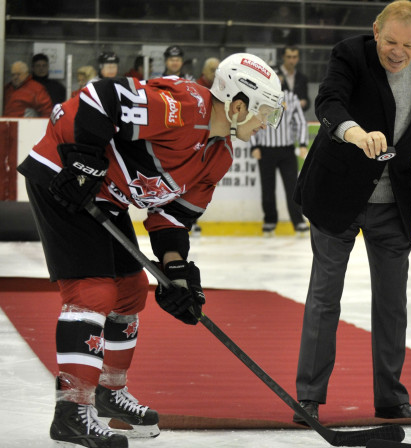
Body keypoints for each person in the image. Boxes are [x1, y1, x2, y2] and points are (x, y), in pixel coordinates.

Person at [16, 53, 284, 448]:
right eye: (264, 112)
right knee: (92, 292)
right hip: (60, 176)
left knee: (128, 293)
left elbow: (171, 216)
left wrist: (176, 273)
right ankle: (72, 412)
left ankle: (108, 393)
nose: (265, 123)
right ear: (238, 105)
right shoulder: (184, 106)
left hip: (104, 196)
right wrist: (84, 160)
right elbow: (98, 98)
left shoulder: (220, 154)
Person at [293, 0, 411, 424]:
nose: (397, 52)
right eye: (390, 41)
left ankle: (391, 398)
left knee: (392, 304)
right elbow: (329, 102)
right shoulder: (350, 54)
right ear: (375, 30)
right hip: (336, 196)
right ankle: (308, 398)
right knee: (324, 299)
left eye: (408, 45)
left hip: (392, 206)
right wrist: (356, 134)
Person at [250, 81, 309, 236]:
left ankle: (298, 221)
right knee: (267, 188)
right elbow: (252, 121)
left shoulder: (291, 98)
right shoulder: (259, 98)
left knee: (292, 188)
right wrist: (254, 146)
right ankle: (270, 220)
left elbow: (301, 122)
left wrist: (302, 143)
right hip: (266, 150)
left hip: (287, 150)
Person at [278, 46, 310, 111]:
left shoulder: (302, 78)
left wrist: (304, 103)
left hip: (296, 117)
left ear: (298, 58)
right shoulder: (274, 74)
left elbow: (306, 100)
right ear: (283, 57)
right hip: (276, 116)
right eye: (289, 57)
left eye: (294, 57)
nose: (291, 60)